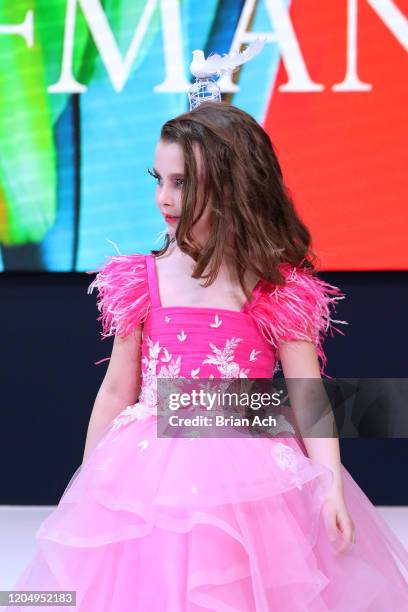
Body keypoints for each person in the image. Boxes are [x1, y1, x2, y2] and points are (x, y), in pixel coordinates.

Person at [4, 101, 408, 612]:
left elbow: (309, 399)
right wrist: (88, 488)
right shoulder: (141, 280)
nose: (164, 198)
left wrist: (330, 486)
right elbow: (116, 389)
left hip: (253, 479)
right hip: (147, 474)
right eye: (160, 179)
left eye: (182, 184)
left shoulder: (276, 288)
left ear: (231, 187)